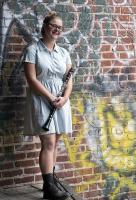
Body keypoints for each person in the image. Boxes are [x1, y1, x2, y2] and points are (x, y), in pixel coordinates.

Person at [23, 11, 73, 200]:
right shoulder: (32, 49)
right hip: (42, 99)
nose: (56, 29)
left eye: (60, 27)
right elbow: (31, 78)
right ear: (45, 26)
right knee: (49, 142)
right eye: (53, 25)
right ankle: (49, 186)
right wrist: (51, 97)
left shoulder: (64, 53)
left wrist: (64, 98)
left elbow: (69, 80)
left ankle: (49, 187)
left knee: (55, 143)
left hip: (60, 102)